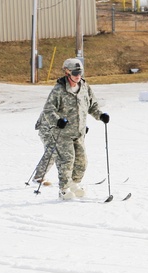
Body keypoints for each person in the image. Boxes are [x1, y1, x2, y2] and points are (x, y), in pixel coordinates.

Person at [36, 58, 109, 200]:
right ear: (67, 72)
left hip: (79, 133)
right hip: (62, 133)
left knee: (82, 161)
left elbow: (92, 105)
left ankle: (74, 183)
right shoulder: (59, 90)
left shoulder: (85, 87)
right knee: (67, 161)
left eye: (80, 73)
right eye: (75, 73)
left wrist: (101, 116)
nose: (78, 76)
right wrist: (57, 120)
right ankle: (63, 190)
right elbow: (48, 110)